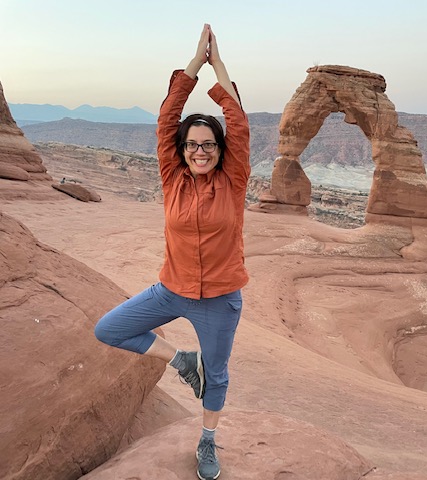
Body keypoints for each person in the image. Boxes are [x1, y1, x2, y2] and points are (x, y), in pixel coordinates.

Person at [94, 23, 250, 480]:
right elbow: (167, 118)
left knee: (217, 377)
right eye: (192, 145)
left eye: (208, 144)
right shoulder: (172, 178)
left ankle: (207, 440)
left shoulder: (233, 181)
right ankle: (184, 361)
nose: (200, 150)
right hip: (171, 290)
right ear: (181, 151)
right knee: (109, 329)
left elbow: (237, 121)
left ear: (221, 151)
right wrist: (193, 63)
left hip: (220, 298)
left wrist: (217, 63)